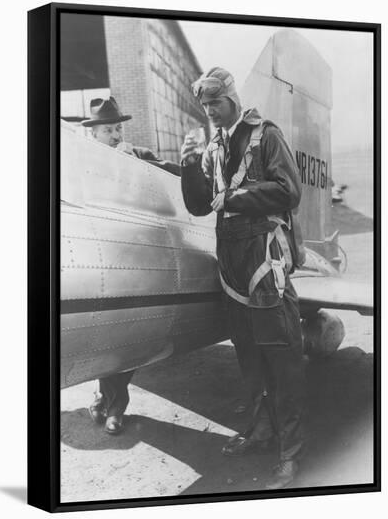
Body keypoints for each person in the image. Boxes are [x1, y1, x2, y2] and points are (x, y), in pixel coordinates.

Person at [180, 67, 307, 489]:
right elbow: (201, 207)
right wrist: (188, 167)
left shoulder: (264, 134)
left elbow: (289, 190)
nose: (210, 111)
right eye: (205, 104)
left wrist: (233, 196)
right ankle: (260, 431)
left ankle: (290, 452)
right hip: (230, 258)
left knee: (281, 357)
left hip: (263, 257)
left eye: (215, 102)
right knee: (247, 352)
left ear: (232, 98)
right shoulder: (213, 147)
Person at [81, 96, 180, 434]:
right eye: (107, 129)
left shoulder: (136, 155)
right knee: (103, 335)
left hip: (136, 259)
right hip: (101, 258)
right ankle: (104, 398)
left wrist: (135, 167)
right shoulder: (81, 162)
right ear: (93, 133)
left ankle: (113, 407)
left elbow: (172, 174)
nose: (114, 134)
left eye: (117, 128)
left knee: (124, 338)